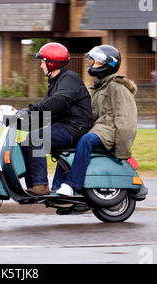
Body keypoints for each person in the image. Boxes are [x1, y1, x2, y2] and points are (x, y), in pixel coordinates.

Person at [55, 45, 138, 197]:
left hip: (109, 131)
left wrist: (123, 150)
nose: (93, 65)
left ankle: (72, 184)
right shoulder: (100, 87)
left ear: (109, 64)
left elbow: (126, 120)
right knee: (67, 143)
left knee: (86, 140)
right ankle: (57, 186)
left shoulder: (117, 87)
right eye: (93, 62)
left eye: (97, 63)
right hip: (99, 130)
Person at [19, 42, 93, 196]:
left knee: (36, 138)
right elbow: (48, 113)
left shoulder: (69, 79)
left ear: (51, 63)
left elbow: (58, 103)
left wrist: (30, 110)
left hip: (75, 128)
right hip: (65, 125)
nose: (41, 66)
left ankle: (41, 185)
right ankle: (33, 186)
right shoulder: (57, 81)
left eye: (42, 62)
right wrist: (19, 121)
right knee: (26, 143)